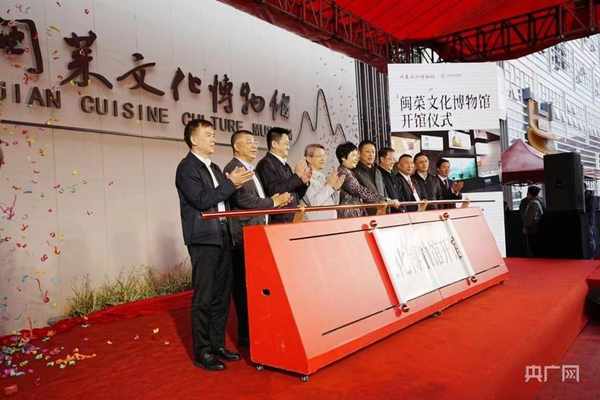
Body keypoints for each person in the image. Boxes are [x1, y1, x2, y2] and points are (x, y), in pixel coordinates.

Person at [175, 119, 254, 371]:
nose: (213, 139)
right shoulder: (187, 168)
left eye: (213, 134)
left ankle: (218, 344)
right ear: (193, 139)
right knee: (205, 296)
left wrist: (235, 184)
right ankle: (203, 351)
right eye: (208, 135)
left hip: (222, 235)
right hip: (203, 238)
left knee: (222, 295)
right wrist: (231, 184)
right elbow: (201, 200)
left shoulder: (216, 167)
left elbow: (225, 199)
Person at [223, 130, 291, 347]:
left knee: (258, 287)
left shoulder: (250, 169)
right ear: (236, 147)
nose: (254, 146)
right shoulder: (233, 168)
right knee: (244, 289)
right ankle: (246, 335)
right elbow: (243, 200)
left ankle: (258, 330)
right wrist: (273, 202)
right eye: (249, 142)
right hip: (244, 237)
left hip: (259, 235)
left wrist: (274, 201)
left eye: (255, 142)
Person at [256, 127, 311, 223]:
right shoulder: (265, 164)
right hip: (277, 221)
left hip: (292, 219)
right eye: (286, 144)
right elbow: (274, 192)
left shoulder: (286, 165)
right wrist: (296, 176)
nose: (288, 147)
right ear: (274, 144)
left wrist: (303, 182)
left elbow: (296, 195)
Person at [336, 142, 398, 218]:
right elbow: (359, 190)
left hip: (367, 213)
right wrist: (384, 199)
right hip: (350, 216)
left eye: (373, 152)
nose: (356, 158)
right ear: (343, 157)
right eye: (353, 155)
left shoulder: (376, 171)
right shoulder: (343, 172)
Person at [302, 144, 344, 221]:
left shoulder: (323, 177)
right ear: (308, 159)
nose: (323, 159)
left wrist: (336, 189)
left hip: (331, 221)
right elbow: (314, 203)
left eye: (324, 156)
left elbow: (334, 204)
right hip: (316, 223)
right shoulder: (305, 178)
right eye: (319, 156)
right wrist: (330, 186)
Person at [353, 140, 387, 215]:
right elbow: (359, 193)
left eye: (373, 152)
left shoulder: (377, 171)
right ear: (359, 153)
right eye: (367, 152)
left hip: (382, 211)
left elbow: (384, 191)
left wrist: (386, 203)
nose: (371, 155)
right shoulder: (355, 171)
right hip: (365, 214)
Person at [378, 147, 403, 212]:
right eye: (390, 159)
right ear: (382, 159)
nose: (393, 162)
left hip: (398, 210)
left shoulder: (393, 174)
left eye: (394, 159)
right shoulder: (377, 173)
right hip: (387, 211)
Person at [522, 186, 544, 257]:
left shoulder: (534, 203)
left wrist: (526, 227)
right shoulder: (538, 202)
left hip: (533, 230)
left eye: (528, 193)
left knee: (533, 249)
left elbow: (530, 218)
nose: (527, 195)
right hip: (535, 229)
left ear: (530, 194)